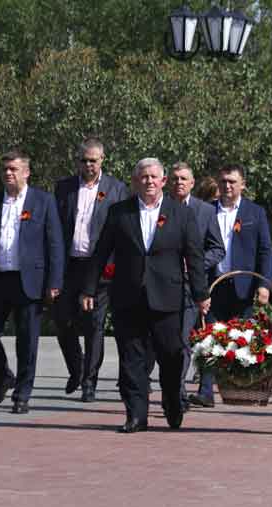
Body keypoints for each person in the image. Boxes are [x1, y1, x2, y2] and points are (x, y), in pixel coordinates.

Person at [81, 158, 209, 433]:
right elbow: (101, 252)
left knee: (171, 357)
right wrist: (89, 288)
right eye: (143, 177)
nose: (149, 181)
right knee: (132, 360)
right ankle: (136, 415)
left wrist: (201, 294)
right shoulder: (119, 213)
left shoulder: (182, 214)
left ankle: (173, 403)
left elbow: (195, 256)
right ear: (135, 181)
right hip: (129, 298)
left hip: (168, 298)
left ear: (163, 181)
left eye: (154, 177)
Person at [0, 150, 64, 414]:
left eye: (14, 169)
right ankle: (2, 378)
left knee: (27, 341)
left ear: (26, 172)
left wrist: (54, 282)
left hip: (29, 281)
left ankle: (22, 394)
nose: (8, 173)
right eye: (5, 169)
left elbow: (55, 245)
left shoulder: (43, 201)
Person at [190, 164, 272, 408]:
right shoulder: (206, 211)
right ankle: (205, 391)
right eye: (224, 181)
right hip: (213, 284)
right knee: (209, 337)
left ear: (243, 185)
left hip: (244, 286)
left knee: (241, 338)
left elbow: (264, 250)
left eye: (233, 182)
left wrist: (263, 285)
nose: (227, 186)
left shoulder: (254, 213)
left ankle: (242, 387)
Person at [53, 138, 129, 402]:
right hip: (69, 265)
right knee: (62, 320)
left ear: (102, 160)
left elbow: (122, 230)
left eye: (93, 160)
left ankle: (89, 382)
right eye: (84, 160)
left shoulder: (116, 189)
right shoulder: (63, 188)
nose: (88, 165)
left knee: (94, 325)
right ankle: (76, 368)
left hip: (100, 268)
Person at [168, 162, 225, 412]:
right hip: (160, 285)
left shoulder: (204, 211)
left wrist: (196, 264)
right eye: (175, 178)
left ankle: (177, 393)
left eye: (184, 179)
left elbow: (218, 248)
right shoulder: (159, 207)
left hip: (190, 286)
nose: (179, 182)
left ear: (192, 183)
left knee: (181, 340)